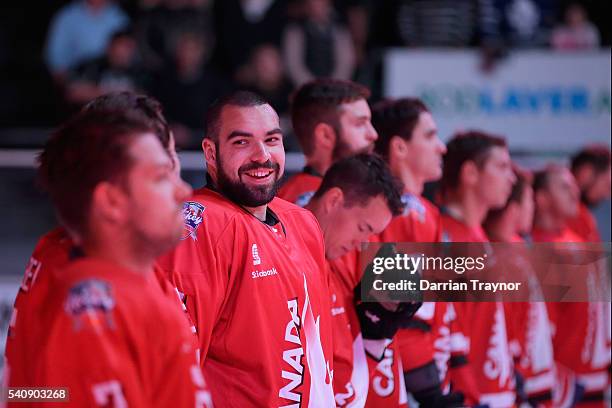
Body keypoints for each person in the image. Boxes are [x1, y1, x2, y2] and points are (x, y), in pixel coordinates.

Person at [9, 108, 210, 406]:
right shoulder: (94, 313)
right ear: (111, 201)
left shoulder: (127, 288)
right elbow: (33, 394)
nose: (183, 190)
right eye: (160, 177)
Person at [157, 91, 336, 406]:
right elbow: (175, 367)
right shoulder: (201, 223)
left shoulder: (302, 219)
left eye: (272, 140)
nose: (262, 156)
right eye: (242, 142)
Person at [372, 98, 472, 408]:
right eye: (430, 136)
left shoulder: (421, 210)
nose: (441, 147)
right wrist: (432, 395)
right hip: (402, 384)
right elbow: (404, 322)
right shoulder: (406, 213)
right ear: (400, 148)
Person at [305, 153, 408, 407]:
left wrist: (374, 337)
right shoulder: (283, 257)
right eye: (363, 228)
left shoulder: (335, 258)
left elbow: (345, 379)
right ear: (334, 200)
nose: (362, 243)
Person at [440, 130, 517, 407]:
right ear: (470, 173)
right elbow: (446, 337)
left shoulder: (476, 235)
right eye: (502, 167)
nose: (512, 177)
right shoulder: (446, 239)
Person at [532, 164, 610, 407]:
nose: (574, 193)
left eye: (574, 187)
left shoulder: (580, 242)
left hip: (597, 383)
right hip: (565, 391)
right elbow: (541, 332)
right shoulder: (539, 250)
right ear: (542, 199)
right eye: (564, 187)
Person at [484, 170, 556, 406]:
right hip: (517, 381)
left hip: (537, 377)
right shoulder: (497, 257)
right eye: (530, 200)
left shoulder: (519, 248)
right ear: (513, 208)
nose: (533, 208)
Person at [278, 78, 377, 206]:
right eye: (360, 124)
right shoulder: (297, 208)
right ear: (325, 135)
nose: (373, 134)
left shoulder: (365, 193)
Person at [44, 0, 129, 81]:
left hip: (110, 79)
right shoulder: (67, 16)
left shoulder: (120, 17)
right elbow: (55, 59)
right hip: (77, 78)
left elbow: (127, 56)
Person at [283, 0, 356, 87]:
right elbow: (294, 66)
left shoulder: (340, 28)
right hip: (304, 91)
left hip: (336, 90)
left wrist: (332, 87)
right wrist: (312, 88)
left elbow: (346, 63)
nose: (316, 4)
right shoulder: (295, 30)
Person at [568, 146, 611, 242]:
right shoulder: (568, 216)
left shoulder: (583, 216)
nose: (608, 196)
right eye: (607, 185)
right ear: (586, 173)